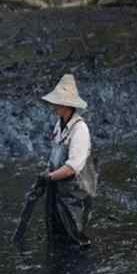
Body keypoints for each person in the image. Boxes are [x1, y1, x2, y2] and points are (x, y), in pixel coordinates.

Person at [39, 73, 97, 247]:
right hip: (58, 186)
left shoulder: (80, 129)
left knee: (74, 234)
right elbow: (55, 155)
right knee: (57, 232)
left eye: (57, 103)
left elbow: (73, 167)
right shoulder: (59, 125)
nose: (53, 106)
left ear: (67, 105)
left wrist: (49, 177)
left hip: (74, 191)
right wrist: (47, 173)